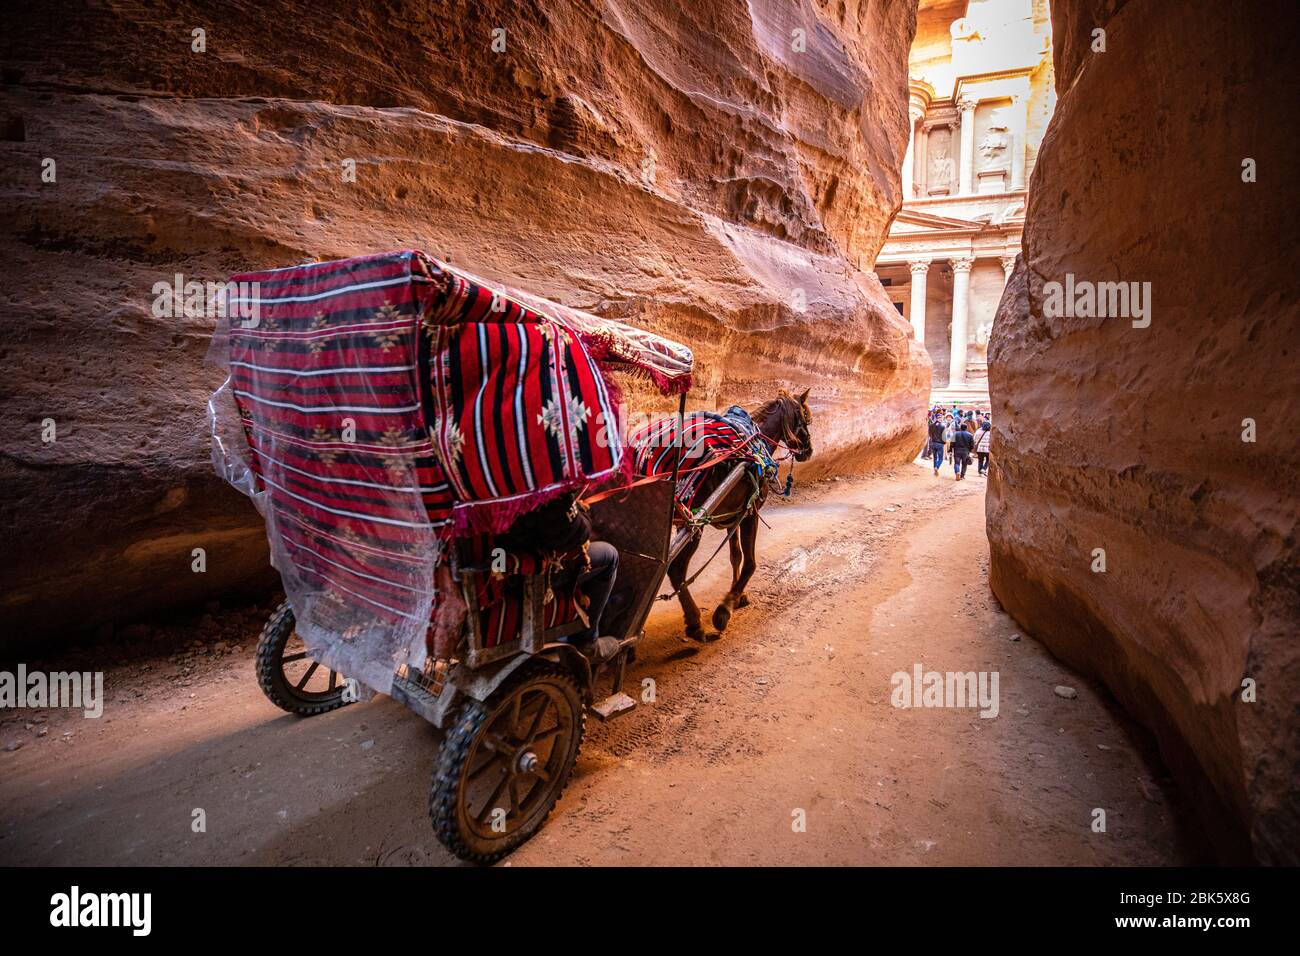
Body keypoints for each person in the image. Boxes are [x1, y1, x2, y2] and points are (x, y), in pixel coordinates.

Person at [500, 492, 620, 654]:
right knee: (610, 554)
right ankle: (586, 640)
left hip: (495, 567)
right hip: (524, 577)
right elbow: (577, 534)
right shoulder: (544, 489)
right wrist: (579, 510)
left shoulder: (485, 485)